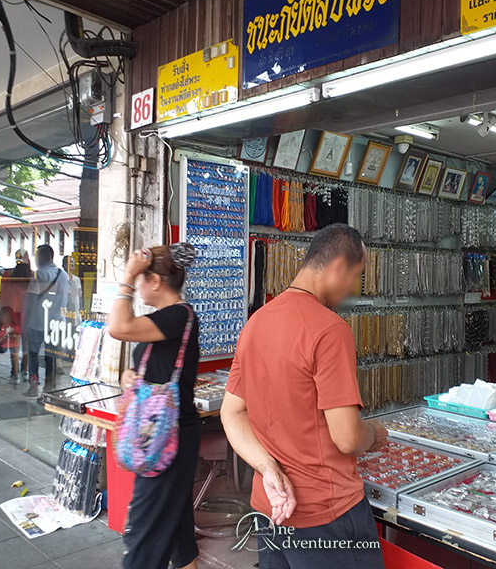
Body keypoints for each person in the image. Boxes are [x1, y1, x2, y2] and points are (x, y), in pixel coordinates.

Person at [221, 223, 387, 569]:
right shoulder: (329, 330)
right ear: (339, 265)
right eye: (356, 275)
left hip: (270, 507)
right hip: (327, 512)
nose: (353, 288)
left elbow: (232, 413)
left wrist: (268, 468)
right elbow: (346, 438)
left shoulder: (256, 323)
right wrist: (376, 435)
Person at [108, 243, 200, 569]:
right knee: (177, 532)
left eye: (143, 280)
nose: (139, 286)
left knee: (144, 536)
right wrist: (130, 376)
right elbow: (151, 366)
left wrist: (127, 276)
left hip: (166, 438)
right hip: (166, 433)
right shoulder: (165, 319)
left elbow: (118, 327)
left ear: (156, 281)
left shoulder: (179, 315)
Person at [23, 245, 69, 397]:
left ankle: (34, 386)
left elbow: (30, 301)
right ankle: (49, 388)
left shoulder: (40, 275)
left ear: (43, 257)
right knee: (51, 357)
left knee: (33, 354)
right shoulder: (64, 275)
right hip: (57, 323)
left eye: (37, 256)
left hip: (38, 322)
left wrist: (25, 324)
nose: (35, 260)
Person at [0, 249, 32, 379]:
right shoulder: (31, 276)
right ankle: (25, 369)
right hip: (27, 314)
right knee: (27, 345)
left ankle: (15, 372)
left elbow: (2, 295)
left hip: (12, 313)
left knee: (14, 344)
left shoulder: (7, 274)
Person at [0, 306, 21, 384]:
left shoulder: (15, 327)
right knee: (13, 358)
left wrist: (14, 335)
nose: (6, 320)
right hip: (4, 346)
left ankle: (15, 374)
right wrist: (4, 337)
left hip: (14, 344)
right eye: (4, 318)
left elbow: (19, 335)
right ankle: (14, 372)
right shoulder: (2, 328)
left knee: (14, 357)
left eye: (8, 318)